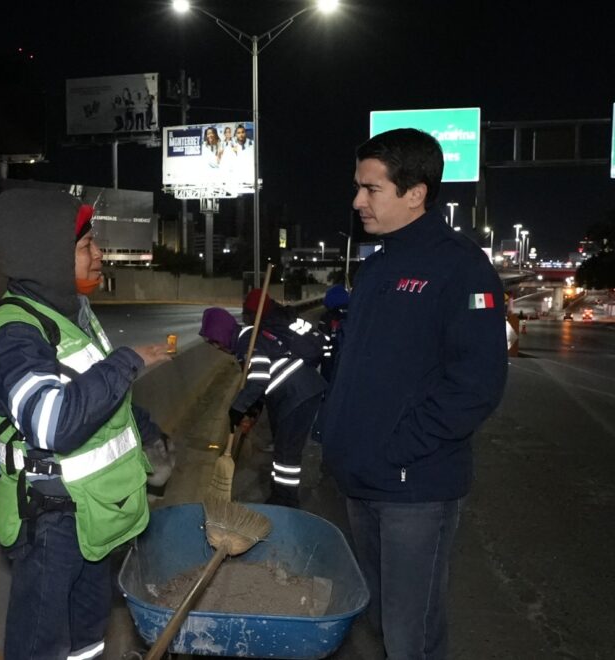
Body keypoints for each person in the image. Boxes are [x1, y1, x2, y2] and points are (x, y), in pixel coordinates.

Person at [317, 128, 507, 659]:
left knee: (411, 635)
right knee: (377, 620)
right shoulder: (376, 267)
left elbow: (477, 385)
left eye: (371, 189)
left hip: (413, 487)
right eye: (359, 187)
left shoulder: (461, 267)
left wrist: (399, 449)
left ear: (416, 193)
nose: (358, 201)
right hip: (360, 481)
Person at [0, 188, 173, 660]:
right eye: (86, 245)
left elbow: (102, 401)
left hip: (90, 514)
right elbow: (53, 423)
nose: (99, 254)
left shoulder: (72, 316)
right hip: (49, 522)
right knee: (41, 648)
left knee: (87, 642)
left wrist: (147, 435)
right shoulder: (15, 334)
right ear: (47, 255)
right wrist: (126, 362)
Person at [199, 307, 326, 507]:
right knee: (282, 449)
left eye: (215, 341)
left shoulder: (247, 342)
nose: (217, 347)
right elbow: (259, 385)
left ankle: (287, 502)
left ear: (222, 333)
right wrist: (250, 413)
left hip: (298, 395)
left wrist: (237, 408)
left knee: (287, 453)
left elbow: (259, 378)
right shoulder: (247, 339)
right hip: (291, 395)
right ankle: (279, 494)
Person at [317, 284, 350, 382]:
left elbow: (321, 341)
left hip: (330, 361)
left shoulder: (326, 317)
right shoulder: (354, 314)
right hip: (349, 359)